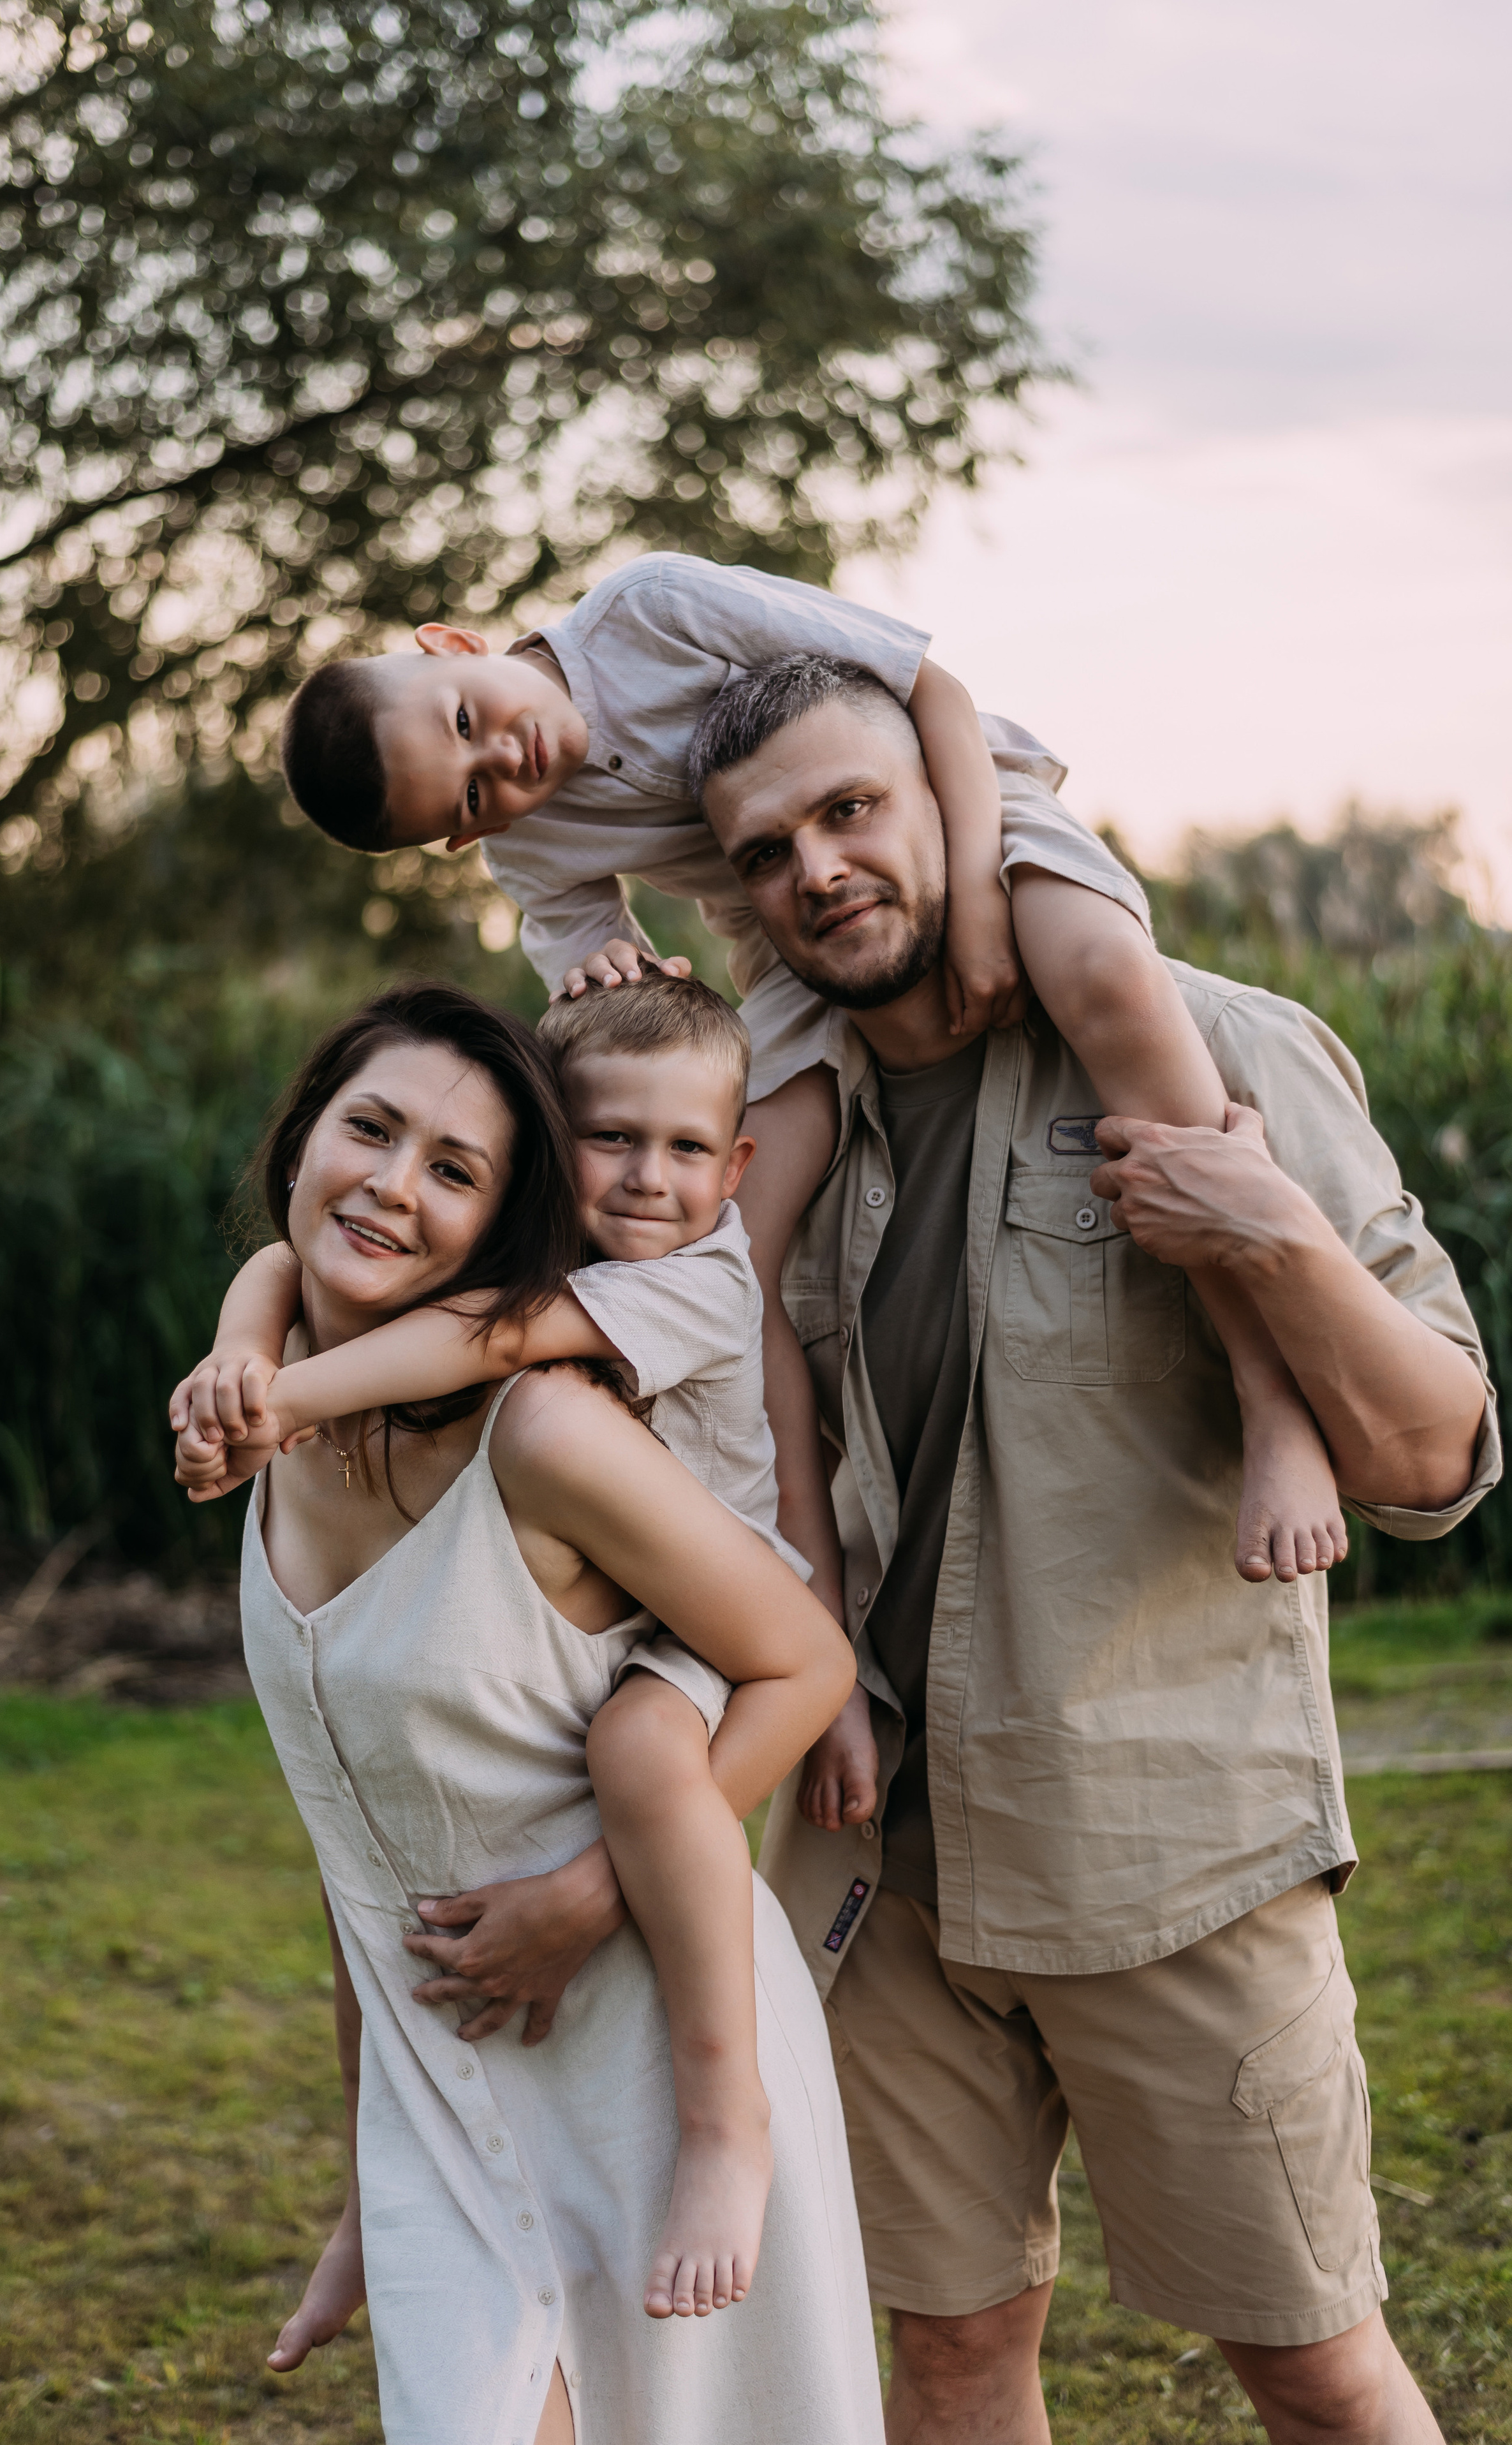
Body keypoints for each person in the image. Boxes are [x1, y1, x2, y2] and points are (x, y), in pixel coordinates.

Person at [664, 649, 1498, 2445]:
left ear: (951, 805)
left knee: (1314, 2364)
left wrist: (1270, 1231)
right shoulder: (765, 1133)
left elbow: (1434, 1457)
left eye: (850, 809)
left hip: (1172, 1844)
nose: (814, 867)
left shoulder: (1215, 1043)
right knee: (952, 2359)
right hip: (874, 1863)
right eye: (762, 849)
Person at [275, 551, 1345, 1595]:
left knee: (1106, 974)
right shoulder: (533, 848)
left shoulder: (650, 612)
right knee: (741, 1238)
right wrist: (601, 966)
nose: (500, 767)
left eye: (466, 720)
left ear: (453, 645)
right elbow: (606, 993)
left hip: (942, 804)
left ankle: (1274, 1399)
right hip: (784, 932)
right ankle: (798, 1598)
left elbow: (934, 688)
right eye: (467, 802)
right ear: (463, 844)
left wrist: (977, 895)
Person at [222, 978, 882, 2444]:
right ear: (300, 1146)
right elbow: (362, 1853)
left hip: (648, 2051)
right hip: (439, 2092)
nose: (395, 1186)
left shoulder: (549, 1431)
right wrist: (361, 2183)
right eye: (370, 1129)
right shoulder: (268, 1437)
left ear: (500, 1222)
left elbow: (804, 1663)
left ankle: (735, 2131)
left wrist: (591, 1892)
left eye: (453, 1170)